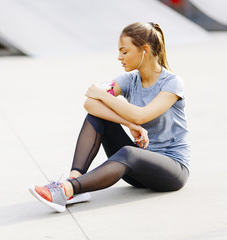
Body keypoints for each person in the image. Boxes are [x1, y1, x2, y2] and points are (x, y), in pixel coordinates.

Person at [29, 22, 190, 213]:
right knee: (97, 117)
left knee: (129, 152)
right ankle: (74, 180)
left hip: (172, 170)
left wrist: (104, 95)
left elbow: (141, 115)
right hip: (137, 171)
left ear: (144, 50)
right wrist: (128, 124)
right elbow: (90, 104)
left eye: (124, 51)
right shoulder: (130, 79)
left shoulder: (172, 83)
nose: (119, 57)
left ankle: (66, 190)